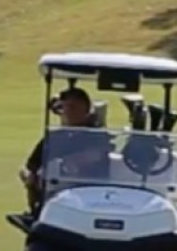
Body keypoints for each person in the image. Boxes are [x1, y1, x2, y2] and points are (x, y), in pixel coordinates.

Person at [8, 83, 109, 231]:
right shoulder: (56, 137)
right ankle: (35, 215)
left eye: (73, 108)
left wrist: (65, 162)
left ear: (86, 110)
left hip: (90, 192)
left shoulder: (97, 136)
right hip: (57, 193)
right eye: (65, 108)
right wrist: (30, 176)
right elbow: (30, 165)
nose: (67, 112)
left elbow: (94, 156)